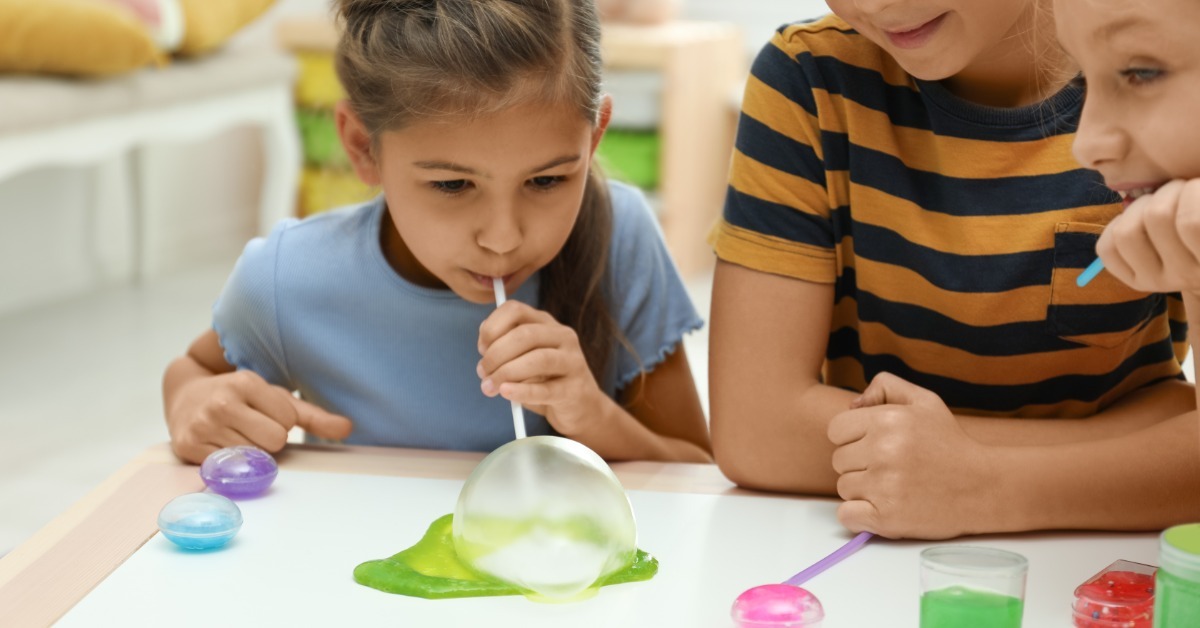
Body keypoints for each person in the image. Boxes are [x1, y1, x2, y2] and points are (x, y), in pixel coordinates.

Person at [708, 0, 1200, 539]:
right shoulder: (810, 78)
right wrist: (1145, 439)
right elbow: (757, 432)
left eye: (1138, 74)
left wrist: (985, 483)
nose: (873, 5)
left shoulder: (1170, 83)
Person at [162, 0, 711, 466]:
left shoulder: (622, 238)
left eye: (546, 179)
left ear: (594, 139)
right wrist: (192, 404)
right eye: (452, 185)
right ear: (362, 147)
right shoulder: (286, 278)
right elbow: (193, 373)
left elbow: (697, 471)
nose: (502, 238)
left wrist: (592, 417)